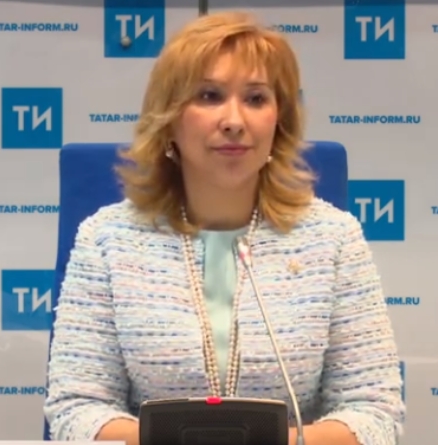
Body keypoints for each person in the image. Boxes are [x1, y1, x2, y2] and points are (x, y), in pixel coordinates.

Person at [43, 10, 405, 445]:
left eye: (256, 98)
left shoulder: (334, 239)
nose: (234, 120)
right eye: (209, 95)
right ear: (169, 118)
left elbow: (374, 414)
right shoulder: (107, 239)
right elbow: (76, 410)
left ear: (279, 121)